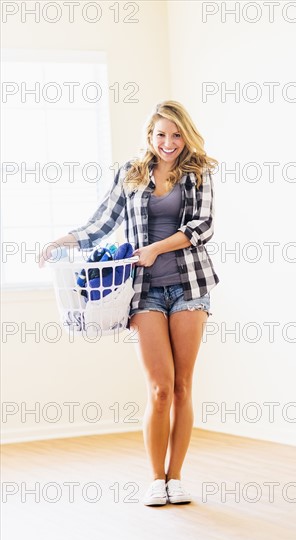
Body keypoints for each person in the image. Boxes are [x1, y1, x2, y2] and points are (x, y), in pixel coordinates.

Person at [38, 100, 219, 506]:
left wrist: (156, 247)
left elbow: (201, 226)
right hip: (143, 291)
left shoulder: (197, 173)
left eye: (176, 134)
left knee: (183, 387)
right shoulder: (131, 174)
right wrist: (62, 241)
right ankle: (157, 479)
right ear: (150, 136)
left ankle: (177, 477)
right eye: (161, 134)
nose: (168, 142)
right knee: (159, 389)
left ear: (185, 136)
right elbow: (102, 222)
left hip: (190, 286)